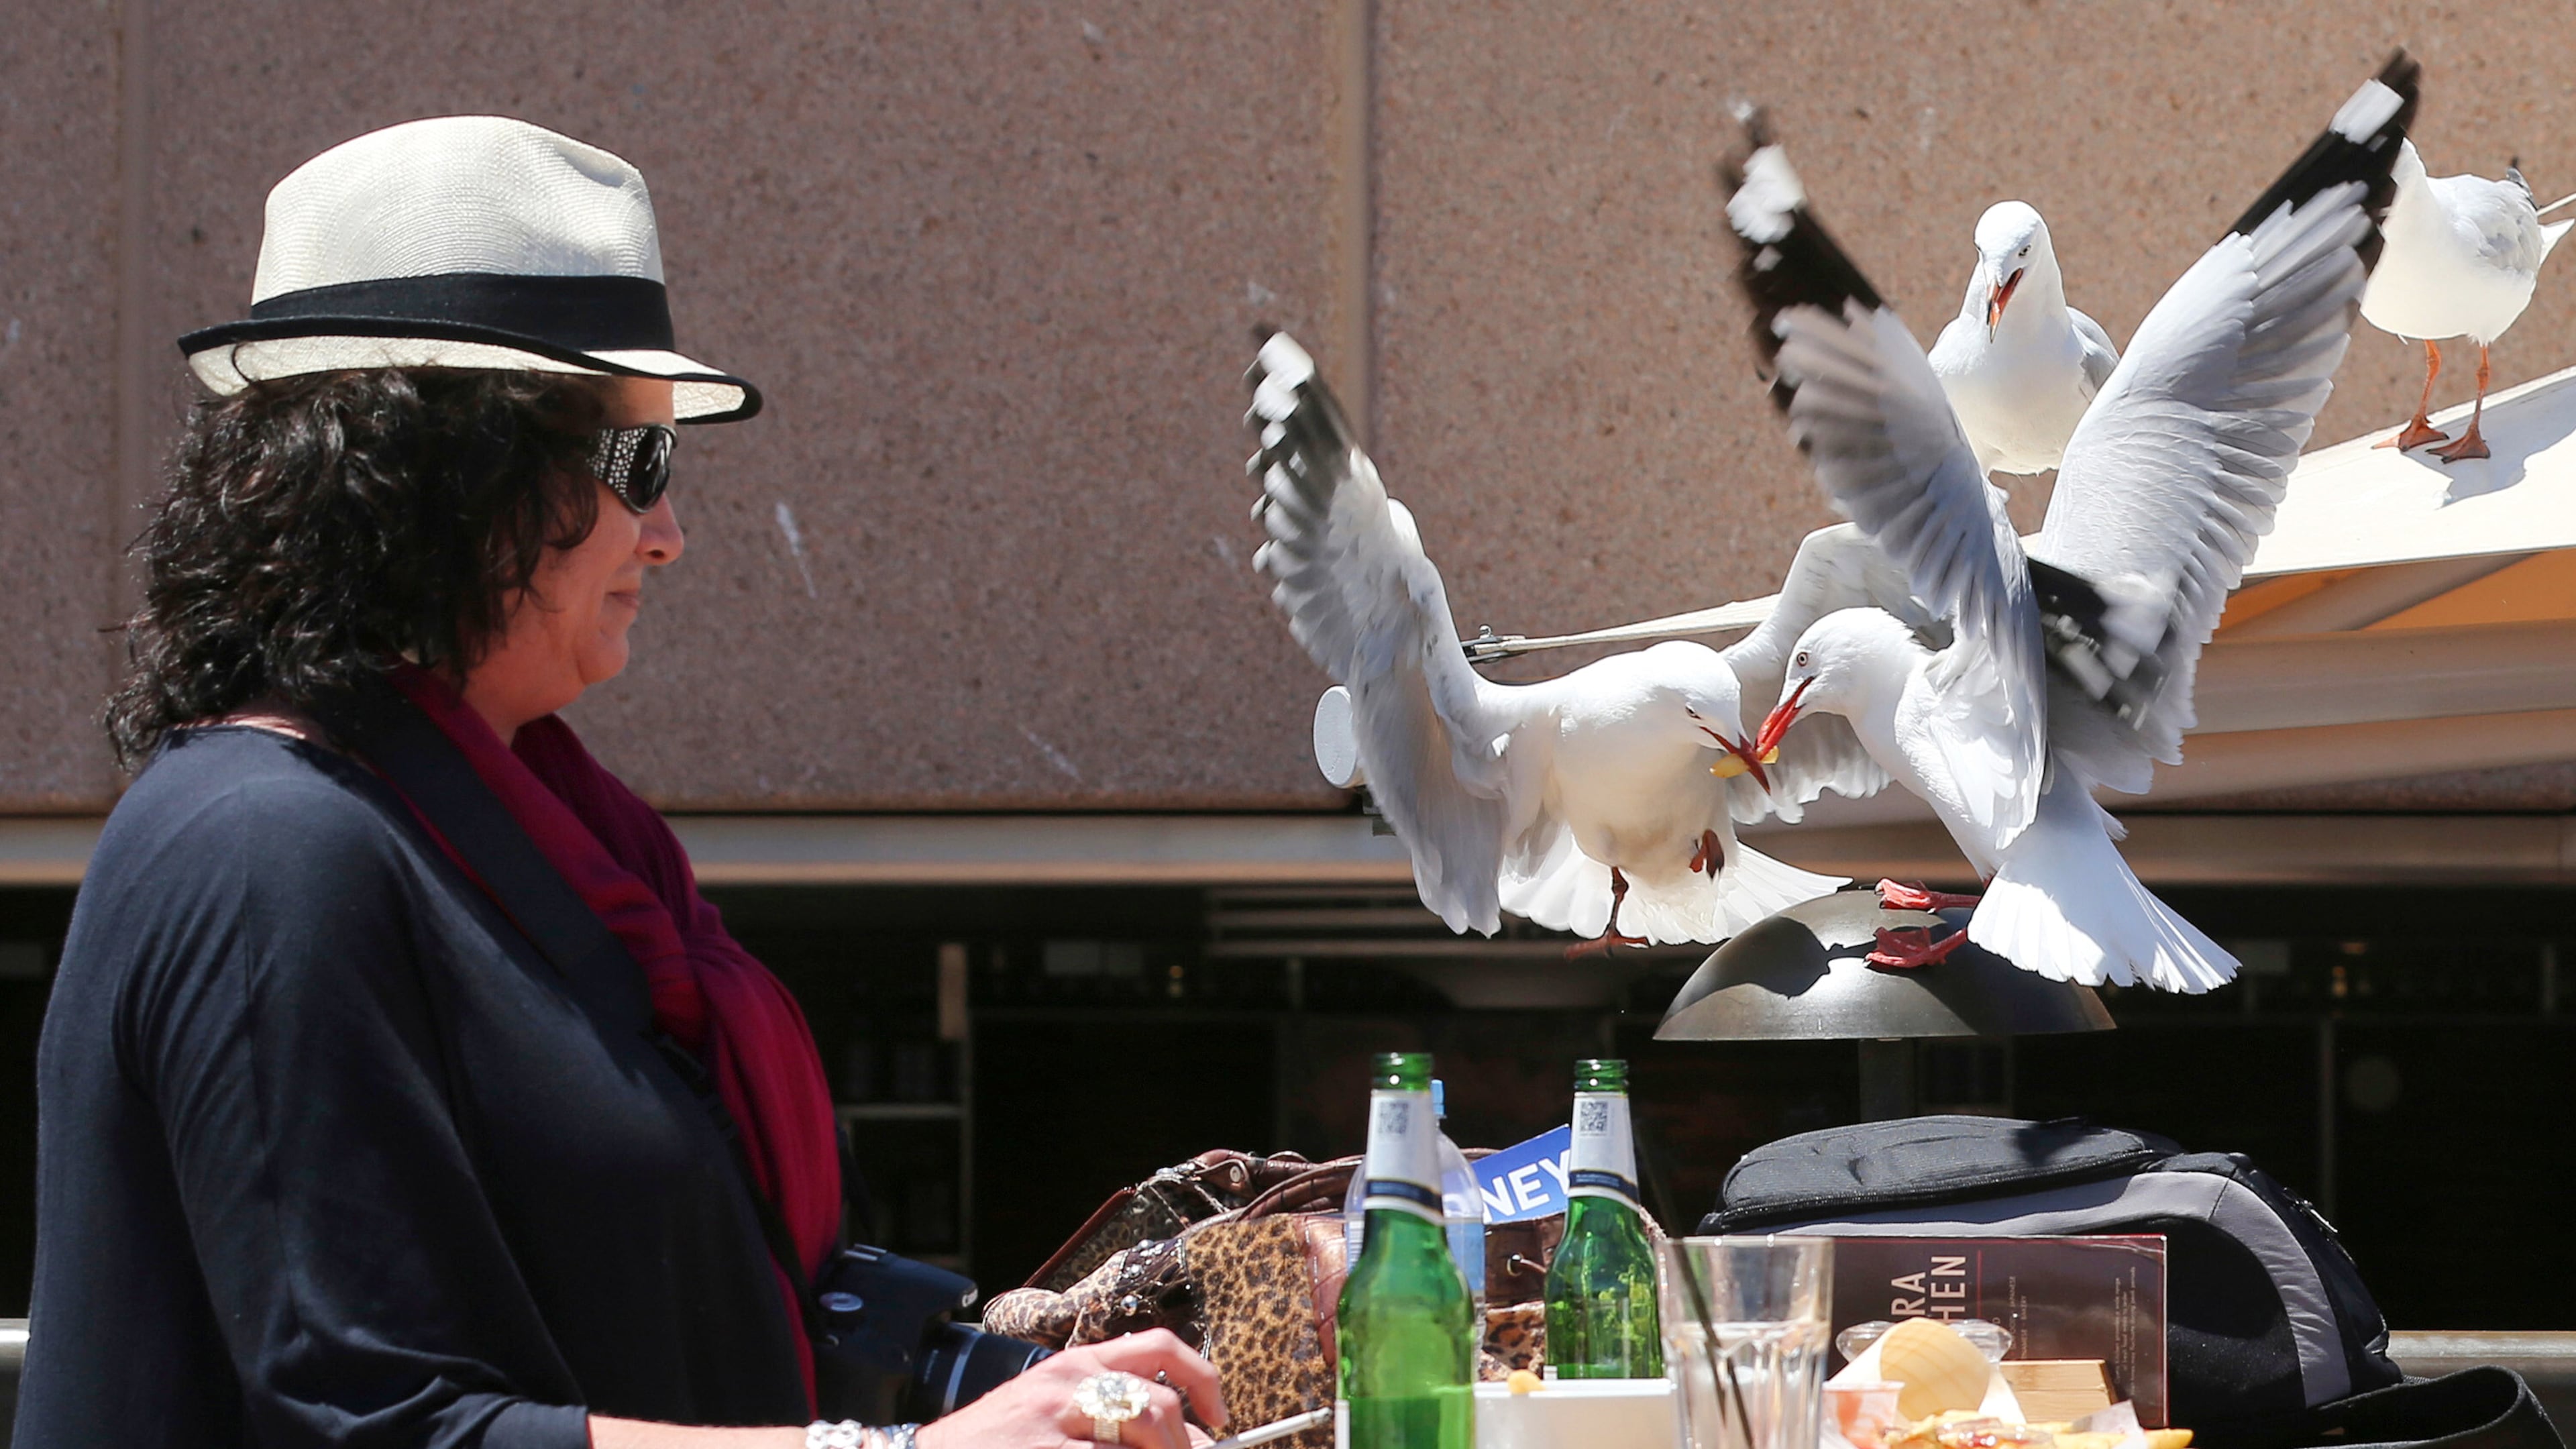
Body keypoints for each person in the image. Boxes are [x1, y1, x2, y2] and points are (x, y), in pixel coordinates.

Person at [13, 117, 1225, 1449]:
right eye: (636, 462)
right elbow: (376, 1423)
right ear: (443, 474)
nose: (670, 533)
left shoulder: (531, 839)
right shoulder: (260, 851)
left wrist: (1062, 1358)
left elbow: (720, 1282)